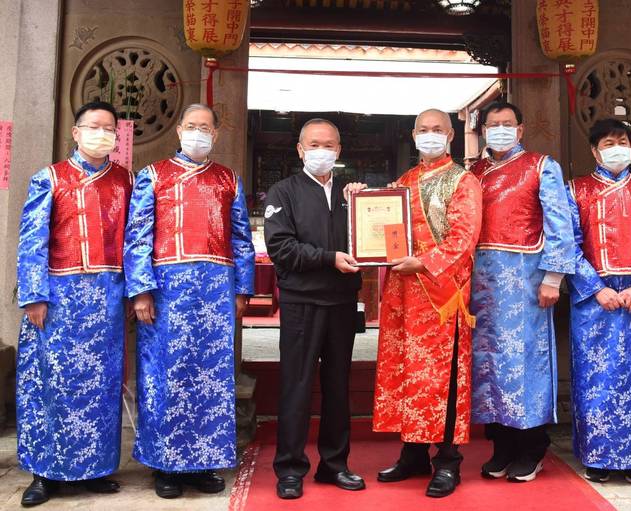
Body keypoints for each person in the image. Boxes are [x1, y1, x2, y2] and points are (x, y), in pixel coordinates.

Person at [124, 103, 255, 499]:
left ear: (215, 134)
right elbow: (137, 236)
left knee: (210, 377)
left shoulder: (228, 179)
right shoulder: (152, 176)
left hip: (215, 291)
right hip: (166, 292)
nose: (198, 132)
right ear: (179, 130)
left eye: (206, 127)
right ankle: (164, 464)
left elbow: (241, 238)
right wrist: (141, 290)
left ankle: (202, 462)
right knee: (165, 375)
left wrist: (242, 289)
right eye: (192, 126)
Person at [15, 101, 132, 507]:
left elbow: (134, 241)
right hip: (58, 298)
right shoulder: (49, 178)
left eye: (109, 128)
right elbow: (32, 240)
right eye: (94, 126)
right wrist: (34, 295)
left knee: (101, 386)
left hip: (107, 297)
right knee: (52, 383)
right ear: (76, 131)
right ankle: (44, 473)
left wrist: (133, 291)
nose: (102, 134)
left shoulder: (125, 181)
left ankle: (95, 468)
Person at [372, 108, 482, 498]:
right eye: (424, 129)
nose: (430, 134)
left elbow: (464, 238)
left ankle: (448, 460)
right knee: (408, 373)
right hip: (403, 294)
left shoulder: (463, 181)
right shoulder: (404, 180)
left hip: (441, 294)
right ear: (413, 134)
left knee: (442, 376)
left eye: (438, 129)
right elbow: (383, 227)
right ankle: (413, 453)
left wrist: (423, 263)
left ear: (451, 135)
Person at [469, 101, 576, 482]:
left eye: (507, 123)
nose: (499, 129)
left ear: (520, 129)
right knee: (488, 365)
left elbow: (560, 223)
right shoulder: (475, 172)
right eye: (492, 124)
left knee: (526, 362)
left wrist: (553, 278)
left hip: (526, 281)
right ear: (483, 131)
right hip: (482, 284)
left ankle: (532, 446)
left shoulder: (541, 166)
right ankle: (501, 445)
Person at [566, 118, 631, 484]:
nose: (617, 149)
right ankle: (596, 455)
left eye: (622, 142)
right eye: (608, 143)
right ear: (595, 151)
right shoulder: (576, 190)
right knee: (595, 377)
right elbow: (568, 244)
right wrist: (596, 288)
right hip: (593, 299)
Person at [263, 118, 365, 500]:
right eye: (314, 144)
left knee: (338, 387)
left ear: (339, 150)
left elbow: (371, 236)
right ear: (300, 149)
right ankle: (290, 468)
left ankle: (335, 464)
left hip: (341, 302)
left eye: (329, 145)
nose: (322, 151)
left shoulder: (350, 193)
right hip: (301, 302)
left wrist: (363, 204)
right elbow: (281, 248)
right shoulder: (283, 192)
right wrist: (328, 258)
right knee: (297, 386)